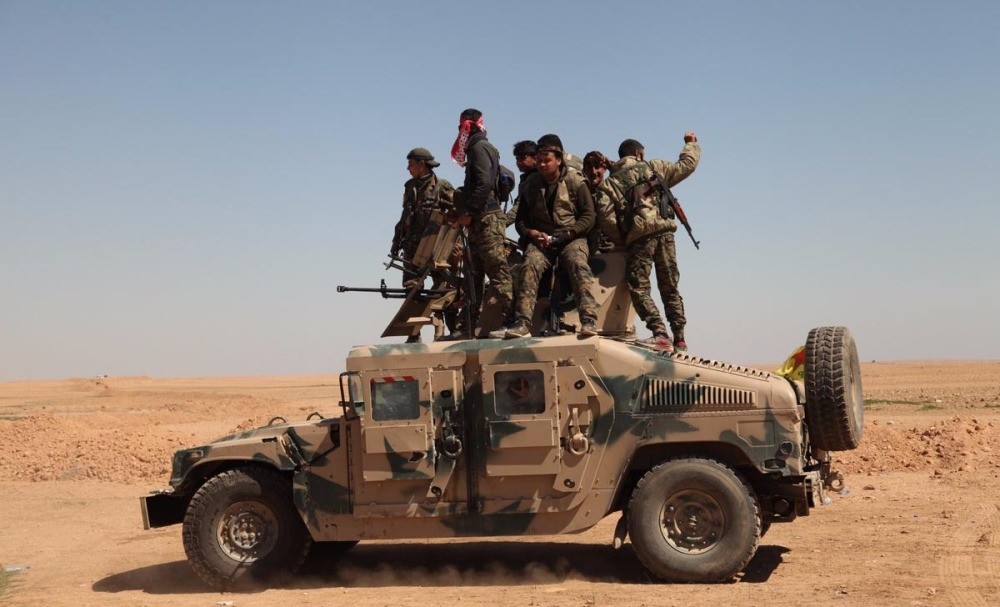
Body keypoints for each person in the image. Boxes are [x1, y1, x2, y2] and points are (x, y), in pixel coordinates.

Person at [599, 132, 700, 351]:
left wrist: (623, 238)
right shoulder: (655, 167)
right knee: (670, 286)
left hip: (638, 240)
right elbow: (687, 165)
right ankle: (680, 337)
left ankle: (660, 333)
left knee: (639, 287)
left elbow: (606, 218)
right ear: (639, 153)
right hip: (665, 235)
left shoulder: (611, 183)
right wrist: (690, 144)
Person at [503, 135, 599, 339]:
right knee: (529, 265)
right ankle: (522, 322)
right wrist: (531, 233)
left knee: (577, 263)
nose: (542, 164)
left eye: (547, 160)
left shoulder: (575, 181)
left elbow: (589, 215)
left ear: (559, 159)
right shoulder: (530, 184)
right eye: (539, 160)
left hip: (571, 237)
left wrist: (569, 234)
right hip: (542, 241)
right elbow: (521, 221)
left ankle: (588, 319)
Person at [448, 108, 513, 336]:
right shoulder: (479, 146)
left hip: (486, 219)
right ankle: (468, 325)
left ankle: (513, 322)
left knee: (498, 272)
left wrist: (470, 213)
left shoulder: (478, 147)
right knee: (474, 274)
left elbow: (484, 183)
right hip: (479, 220)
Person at [390, 147, 455, 288]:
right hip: (411, 246)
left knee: (442, 285)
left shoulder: (441, 186)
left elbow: (457, 214)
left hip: (433, 246)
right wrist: (396, 241)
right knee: (411, 286)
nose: (408, 168)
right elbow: (405, 215)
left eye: (411, 164)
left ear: (421, 165)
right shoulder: (409, 186)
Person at [582, 151, 616, 254]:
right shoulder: (581, 193)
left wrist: (611, 165)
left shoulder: (613, 189)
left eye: (597, 167)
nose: (593, 172)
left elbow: (625, 173)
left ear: (604, 169)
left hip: (613, 249)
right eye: (589, 168)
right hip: (589, 250)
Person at [506, 140, 538, 227]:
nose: (518, 162)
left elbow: (519, 208)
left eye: (522, 158)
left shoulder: (535, 178)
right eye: (517, 159)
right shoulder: (527, 177)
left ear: (535, 158)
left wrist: (501, 223)